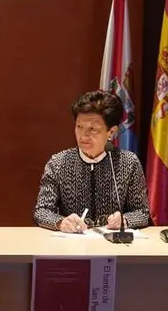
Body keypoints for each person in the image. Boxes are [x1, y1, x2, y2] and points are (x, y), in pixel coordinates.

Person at [33, 90, 150, 233]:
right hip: (72, 246)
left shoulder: (128, 162)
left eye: (93, 129)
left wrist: (125, 220)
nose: (83, 135)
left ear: (111, 132)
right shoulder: (58, 163)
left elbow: (142, 212)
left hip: (114, 246)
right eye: (79, 127)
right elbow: (42, 211)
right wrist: (60, 222)